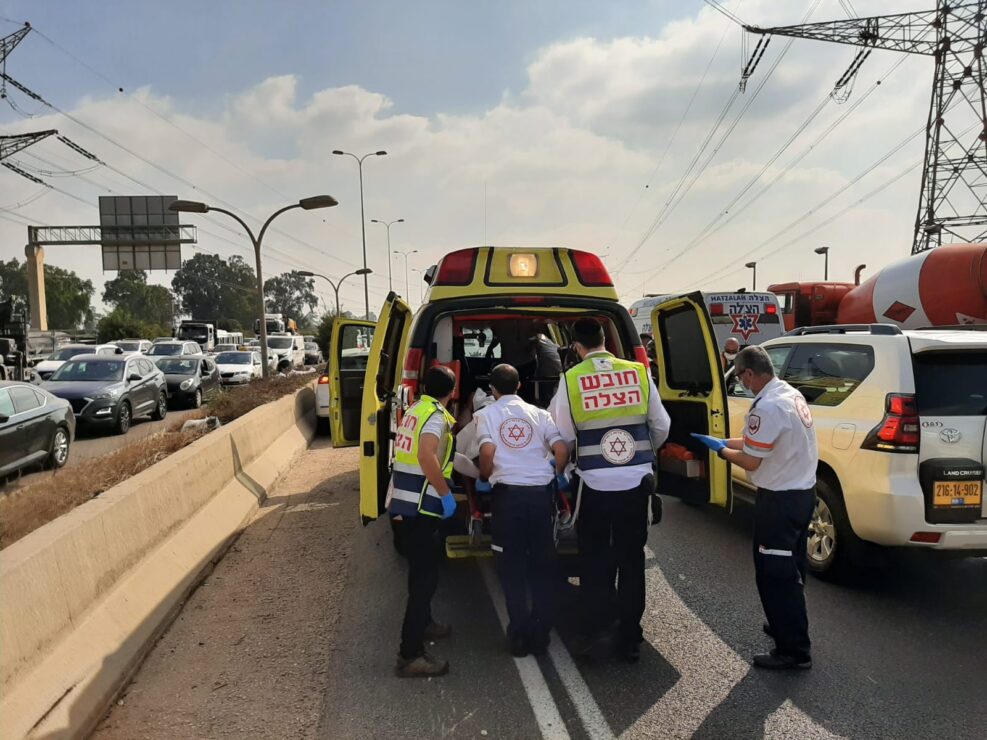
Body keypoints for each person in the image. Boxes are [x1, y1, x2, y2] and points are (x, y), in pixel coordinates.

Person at [549, 318, 671, 662]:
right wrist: (640, 455)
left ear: (577, 347)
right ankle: (629, 638)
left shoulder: (571, 379)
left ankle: (597, 629)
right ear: (605, 339)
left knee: (596, 559)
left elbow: (563, 435)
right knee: (631, 560)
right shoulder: (637, 372)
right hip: (637, 483)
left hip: (595, 485)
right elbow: (661, 426)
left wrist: (566, 467)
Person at [692, 345, 818, 670]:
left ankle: (793, 650)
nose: (742, 383)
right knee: (791, 567)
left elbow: (750, 460)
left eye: (740, 377)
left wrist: (720, 452)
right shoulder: (787, 394)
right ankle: (784, 624)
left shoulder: (767, 406)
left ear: (749, 373)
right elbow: (756, 444)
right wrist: (723, 440)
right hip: (801, 493)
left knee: (774, 574)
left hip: (779, 501)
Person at [476, 364, 570, 657]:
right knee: (542, 566)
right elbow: (561, 450)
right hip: (541, 497)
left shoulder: (486, 415)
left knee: (512, 568)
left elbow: (487, 453)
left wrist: (484, 476)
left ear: (492, 389)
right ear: (519, 386)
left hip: (508, 499)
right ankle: (541, 636)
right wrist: (558, 474)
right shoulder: (540, 414)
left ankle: (518, 636)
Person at [389, 365, 460, 678]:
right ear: (453, 391)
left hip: (406, 503)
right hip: (422, 507)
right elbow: (426, 455)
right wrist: (446, 494)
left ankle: (426, 623)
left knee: (419, 573)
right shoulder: (436, 417)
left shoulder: (416, 410)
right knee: (424, 581)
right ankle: (410, 655)